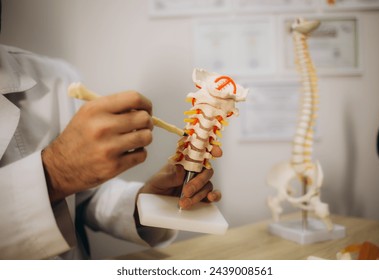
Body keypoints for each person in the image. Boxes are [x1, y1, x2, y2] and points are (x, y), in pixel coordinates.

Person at [0, 1, 222, 259]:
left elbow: (81, 200)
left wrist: (149, 202)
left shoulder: (56, 77)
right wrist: (55, 174)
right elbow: (61, 183)